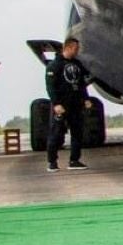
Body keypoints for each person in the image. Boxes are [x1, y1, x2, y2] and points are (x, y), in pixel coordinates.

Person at [43, 37, 92, 172]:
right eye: (76, 49)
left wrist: (86, 98)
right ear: (68, 48)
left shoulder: (77, 64)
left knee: (77, 132)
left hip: (75, 104)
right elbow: (50, 86)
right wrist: (56, 103)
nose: (77, 51)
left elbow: (81, 83)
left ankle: (74, 160)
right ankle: (52, 162)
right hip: (61, 105)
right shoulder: (54, 65)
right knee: (56, 133)